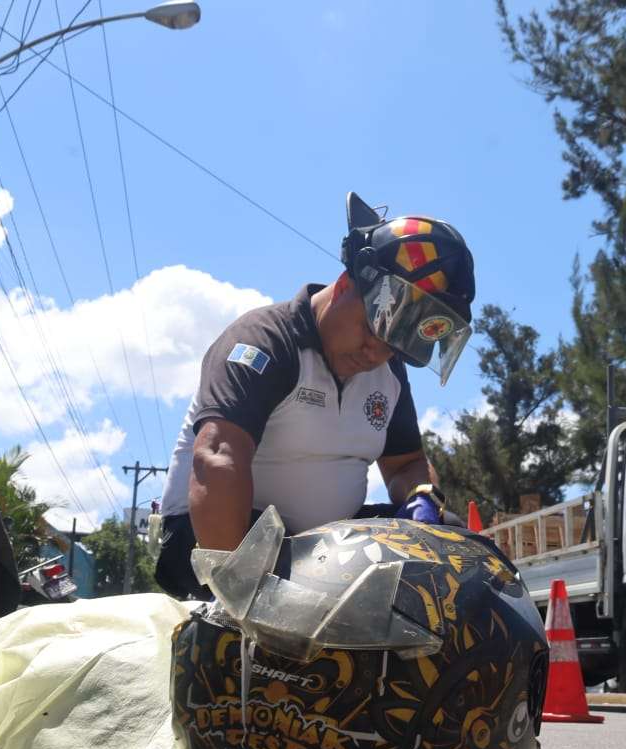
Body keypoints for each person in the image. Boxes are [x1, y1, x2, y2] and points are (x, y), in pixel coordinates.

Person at [153, 191, 476, 599]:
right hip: (210, 540)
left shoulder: (387, 370)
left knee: (457, 547)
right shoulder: (266, 342)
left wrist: (421, 498)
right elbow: (218, 459)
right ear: (346, 285)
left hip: (318, 549)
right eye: (373, 329)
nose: (377, 353)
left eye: (395, 346)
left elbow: (404, 464)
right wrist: (244, 587)